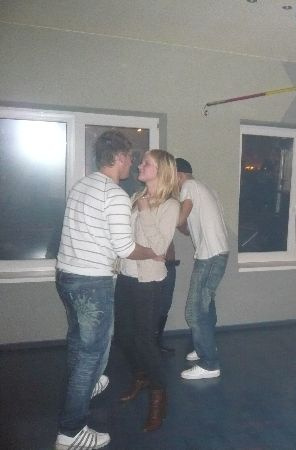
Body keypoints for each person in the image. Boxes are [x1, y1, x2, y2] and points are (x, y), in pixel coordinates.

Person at [54, 131, 160, 450]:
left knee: (79, 342)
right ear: (119, 157)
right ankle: (71, 432)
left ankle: (85, 387)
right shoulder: (114, 194)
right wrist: (152, 252)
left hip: (66, 276)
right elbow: (125, 248)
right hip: (91, 282)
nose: (132, 163)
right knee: (91, 354)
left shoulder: (81, 185)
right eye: (130, 157)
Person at [114, 149, 180, 432]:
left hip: (149, 282)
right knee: (123, 335)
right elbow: (125, 240)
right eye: (141, 162)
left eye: (146, 163)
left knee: (144, 340)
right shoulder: (135, 197)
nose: (140, 165)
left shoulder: (170, 205)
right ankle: (141, 375)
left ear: (161, 171)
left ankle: (158, 396)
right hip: (126, 276)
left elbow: (160, 248)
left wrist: (144, 212)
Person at [175, 158, 229, 380]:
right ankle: (206, 347)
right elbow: (186, 227)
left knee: (194, 310)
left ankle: (209, 364)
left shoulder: (188, 186)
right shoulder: (207, 189)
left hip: (210, 256)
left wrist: (162, 209)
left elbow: (179, 217)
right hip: (218, 253)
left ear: (178, 175)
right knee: (206, 304)